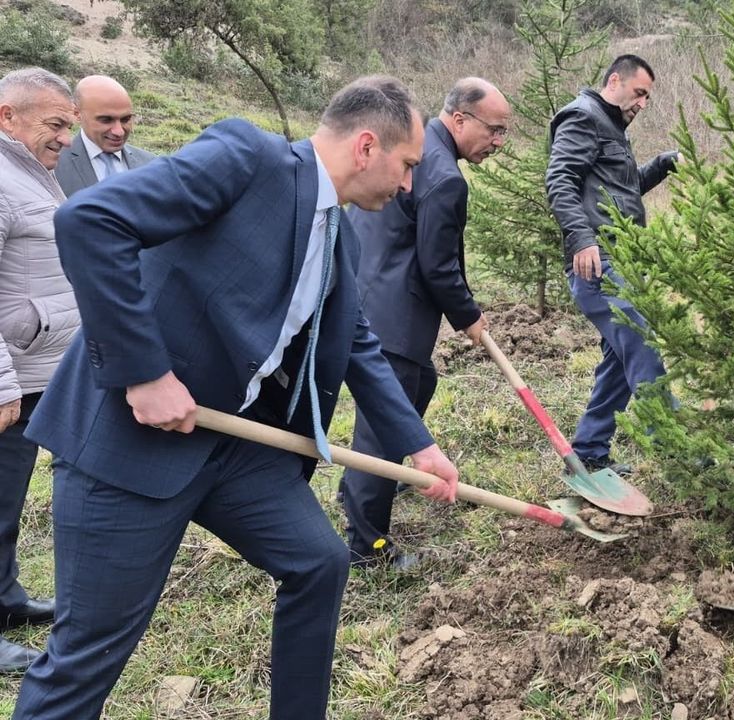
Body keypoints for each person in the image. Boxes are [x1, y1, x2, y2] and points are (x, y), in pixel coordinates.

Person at [13, 75, 460, 719]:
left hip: (231, 442)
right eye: (408, 164)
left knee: (318, 563)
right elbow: (90, 220)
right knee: (90, 650)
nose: (410, 184)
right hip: (128, 445)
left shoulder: (340, 232)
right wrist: (144, 372)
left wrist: (419, 447)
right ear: (367, 147)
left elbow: (357, 341)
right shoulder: (247, 157)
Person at [339, 77, 508, 569]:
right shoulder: (444, 176)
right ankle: (367, 546)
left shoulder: (413, 150)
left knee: (421, 385)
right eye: (494, 130)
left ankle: (366, 483)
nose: (498, 142)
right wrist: (468, 315)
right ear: (459, 119)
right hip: (392, 315)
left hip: (362, 291)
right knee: (383, 428)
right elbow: (439, 266)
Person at [545, 54, 679, 475]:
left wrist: (661, 165)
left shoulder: (611, 126)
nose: (642, 103)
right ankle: (681, 449)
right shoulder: (583, 117)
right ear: (615, 80)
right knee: (641, 343)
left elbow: (622, 189)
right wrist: (581, 238)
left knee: (621, 359)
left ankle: (588, 450)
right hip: (597, 261)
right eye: (639, 93)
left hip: (618, 258)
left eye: (647, 97)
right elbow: (560, 179)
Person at [0, 67, 77, 674]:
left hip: (34, 371)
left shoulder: (31, 174)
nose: (67, 138)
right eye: (55, 124)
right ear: (8, 116)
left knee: (7, 503)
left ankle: (6, 598)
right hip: (10, 377)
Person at [54, 74, 156, 196]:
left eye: (125, 119)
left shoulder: (151, 164)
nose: (119, 132)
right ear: (77, 114)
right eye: (106, 120)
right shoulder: (53, 166)